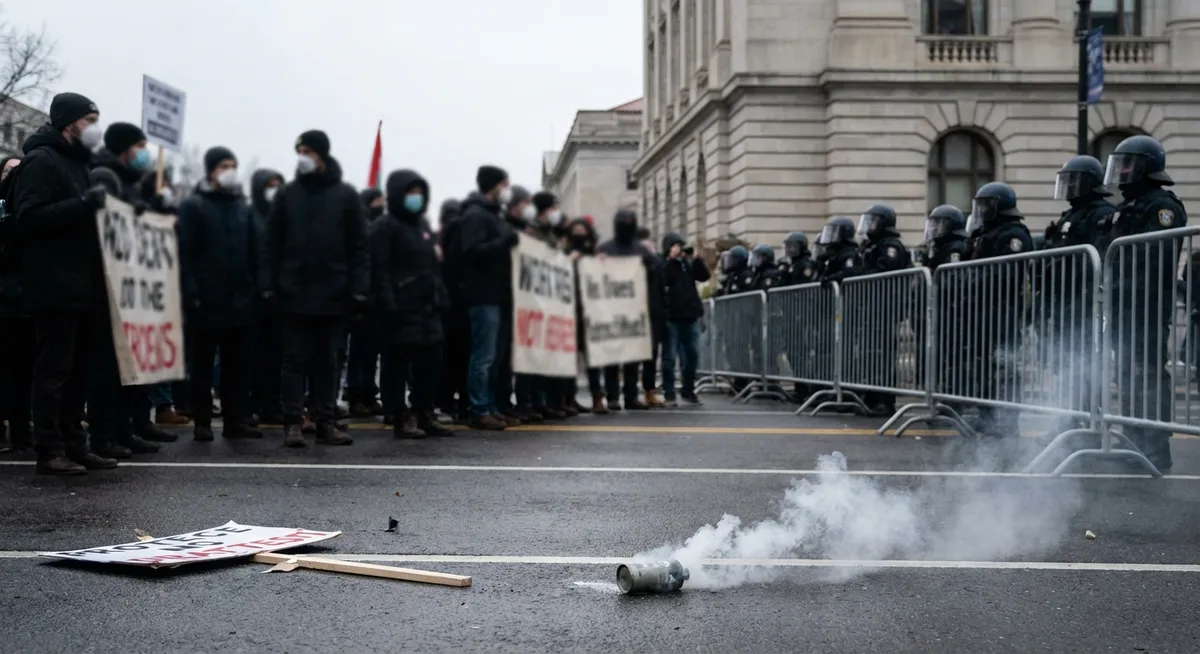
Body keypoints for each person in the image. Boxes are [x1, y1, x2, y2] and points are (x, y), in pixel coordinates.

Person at [9, 92, 115, 475]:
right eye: (89, 120)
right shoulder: (42, 160)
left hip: (83, 285)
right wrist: (85, 205)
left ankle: (75, 443)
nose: (94, 128)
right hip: (53, 284)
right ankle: (49, 449)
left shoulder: (80, 163)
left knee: (79, 371)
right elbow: (30, 216)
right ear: (69, 123)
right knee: (54, 371)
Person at [262, 130, 366, 448]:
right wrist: (268, 286)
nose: (302, 157)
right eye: (299, 151)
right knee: (293, 361)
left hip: (333, 294)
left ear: (321, 153)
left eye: (307, 150)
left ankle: (326, 423)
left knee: (328, 361)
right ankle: (293, 423)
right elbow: (271, 245)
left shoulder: (346, 196)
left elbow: (359, 247)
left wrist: (359, 289)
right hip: (293, 292)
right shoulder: (287, 194)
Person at [86, 122, 177, 458]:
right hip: (111, 288)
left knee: (134, 366)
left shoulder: (131, 181)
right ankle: (104, 435)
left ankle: (130, 427)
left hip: (133, 286)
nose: (144, 153)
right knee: (109, 369)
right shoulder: (105, 176)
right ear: (125, 147)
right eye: (139, 145)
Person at [1103, 134, 1187, 472]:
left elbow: (1158, 258)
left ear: (1146, 167)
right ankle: (1134, 440)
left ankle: (1155, 447)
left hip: (1147, 307)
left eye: (1128, 164)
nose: (1122, 171)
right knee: (1126, 375)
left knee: (1147, 374)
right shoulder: (1126, 207)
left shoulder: (1162, 206)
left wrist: (1123, 281)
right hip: (1124, 306)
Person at [178, 146, 262, 442]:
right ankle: (202, 421)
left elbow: (254, 253)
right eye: (224, 165)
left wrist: (254, 289)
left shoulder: (243, 208)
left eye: (233, 165)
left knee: (236, 368)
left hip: (239, 302)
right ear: (211, 170)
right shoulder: (194, 206)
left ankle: (234, 420)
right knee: (201, 365)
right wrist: (190, 292)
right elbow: (185, 252)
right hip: (206, 300)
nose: (230, 171)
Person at [370, 169, 452, 438]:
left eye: (419, 192)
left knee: (430, 363)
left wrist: (440, 296)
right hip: (400, 308)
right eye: (410, 192)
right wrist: (388, 303)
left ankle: (424, 412)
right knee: (396, 365)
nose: (415, 198)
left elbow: (432, 267)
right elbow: (379, 269)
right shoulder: (385, 226)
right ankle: (398, 415)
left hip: (427, 308)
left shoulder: (422, 227)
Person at [1041, 156, 1114, 438]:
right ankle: (1070, 420)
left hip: (1085, 300)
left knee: (1085, 362)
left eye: (1074, 180)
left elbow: (1096, 256)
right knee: (1066, 362)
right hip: (1065, 300)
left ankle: (1091, 420)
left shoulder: (1100, 213)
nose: (1069, 186)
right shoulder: (1070, 215)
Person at [966, 182, 1033, 438]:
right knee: (983, 364)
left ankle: (1006, 420)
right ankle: (987, 416)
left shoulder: (1014, 234)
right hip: (982, 310)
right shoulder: (983, 233)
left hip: (1003, 311)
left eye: (986, 205)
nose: (982, 210)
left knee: (1004, 365)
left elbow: (1006, 273)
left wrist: (972, 279)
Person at [454, 165, 518, 431]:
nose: (507, 190)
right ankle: (479, 408)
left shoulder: (494, 216)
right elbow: (470, 252)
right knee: (483, 357)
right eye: (505, 184)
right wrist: (504, 243)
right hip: (483, 295)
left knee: (493, 357)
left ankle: (489, 405)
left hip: (497, 294)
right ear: (494, 186)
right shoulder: (476, 216)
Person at [597, 209, 660, 411]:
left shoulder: (640, 250)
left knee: (632, 357)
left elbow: (656, 271)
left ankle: (630, 396)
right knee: (613, 357)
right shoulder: (606, 249)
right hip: (613, 308)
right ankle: (613, 396)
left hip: (635, 308)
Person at [854, 204, 912, 414]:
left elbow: (883, 271)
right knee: (871, 355)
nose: (869, 226)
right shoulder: (872, 245)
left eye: (874, 221)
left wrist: (857, 275)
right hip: (872, 306)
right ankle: (872, 397)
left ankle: (885, 401)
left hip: (886, 307)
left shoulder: (891, 246)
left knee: (883, 355)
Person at [248, 168, 285, 425]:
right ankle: (250, 405)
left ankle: (271, 405)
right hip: (253, 299)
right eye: (270, 185)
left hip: (279, 299)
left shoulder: (283, 219)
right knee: (252, 357)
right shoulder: (249, 217)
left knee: (276, 357)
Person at [0, 156, 32, 453]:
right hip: (6, 300)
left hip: (23, 303)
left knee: (22, 373)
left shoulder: (24, 210)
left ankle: (22, 433)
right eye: (9, 170)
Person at [346, 187, 386, 418]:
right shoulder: (362, 228)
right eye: (379, 201)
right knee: (359, 352)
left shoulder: (377, 226)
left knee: (371, 352)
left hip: (375, 299)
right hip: (363, 299)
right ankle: (356, 394)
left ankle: (368, 393)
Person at [660, 232, 710, 406]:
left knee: (692, 355)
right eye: (676, 245)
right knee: (670, 358)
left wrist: (696, 259)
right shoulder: (664, 265)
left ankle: (688, 390)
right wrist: (670, 259)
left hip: (690, 316)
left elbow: (704, 276)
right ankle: (669, 393)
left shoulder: (687, 264)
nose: (680, 249)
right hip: (672, 318)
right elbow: (662, 281)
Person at [437, 198, 469, 422]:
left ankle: (446, 400)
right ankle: (458, 402)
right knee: (461, 355)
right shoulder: (458, 230)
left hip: (445, 302)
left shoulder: (440, 234)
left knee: (447, 357)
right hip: (459, 300)